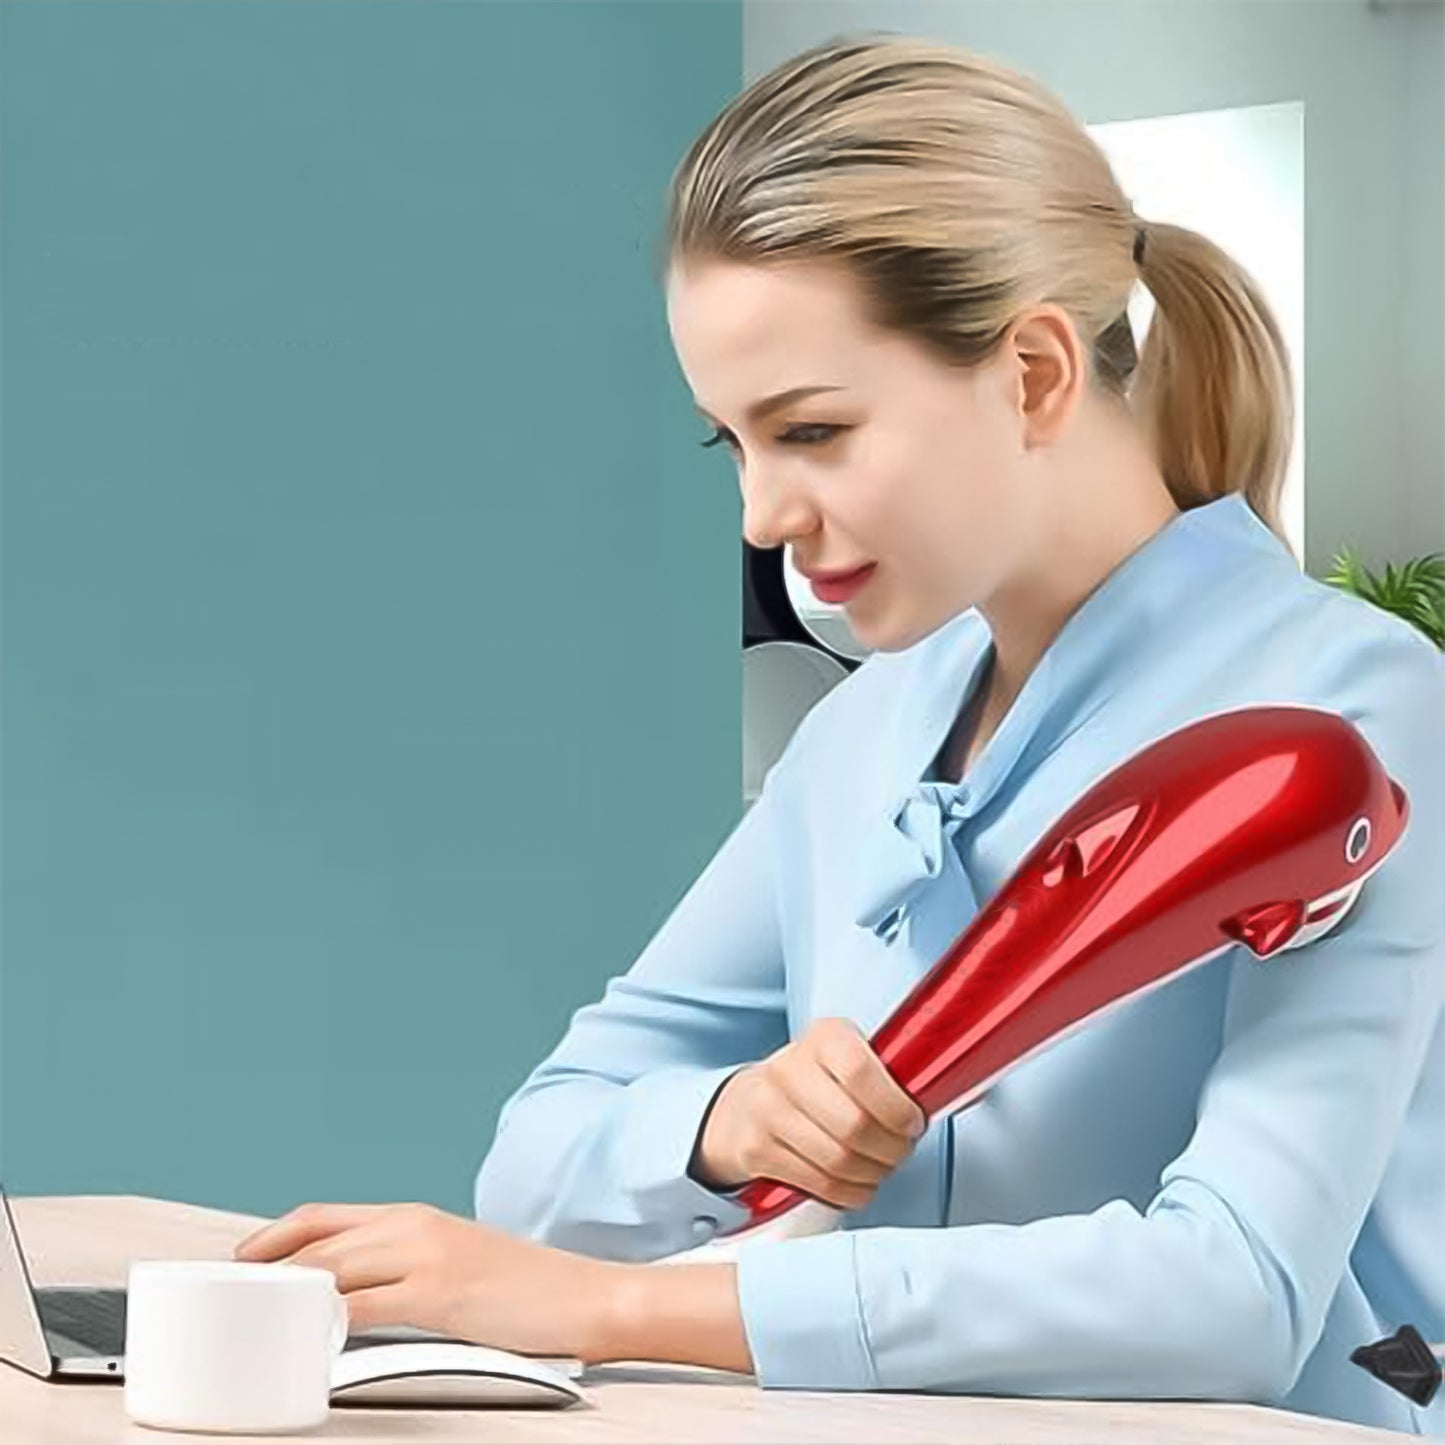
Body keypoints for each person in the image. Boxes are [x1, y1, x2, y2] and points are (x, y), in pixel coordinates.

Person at [233, 32, 1445, 1437]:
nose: (759, 515)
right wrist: (729, 1118)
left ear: (1037, 373)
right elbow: (538, 1150)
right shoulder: (865, 734)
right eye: (730, 444)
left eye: (809, 430)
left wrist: (603, 1304)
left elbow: (1231, 1294)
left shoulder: (1347, 711)